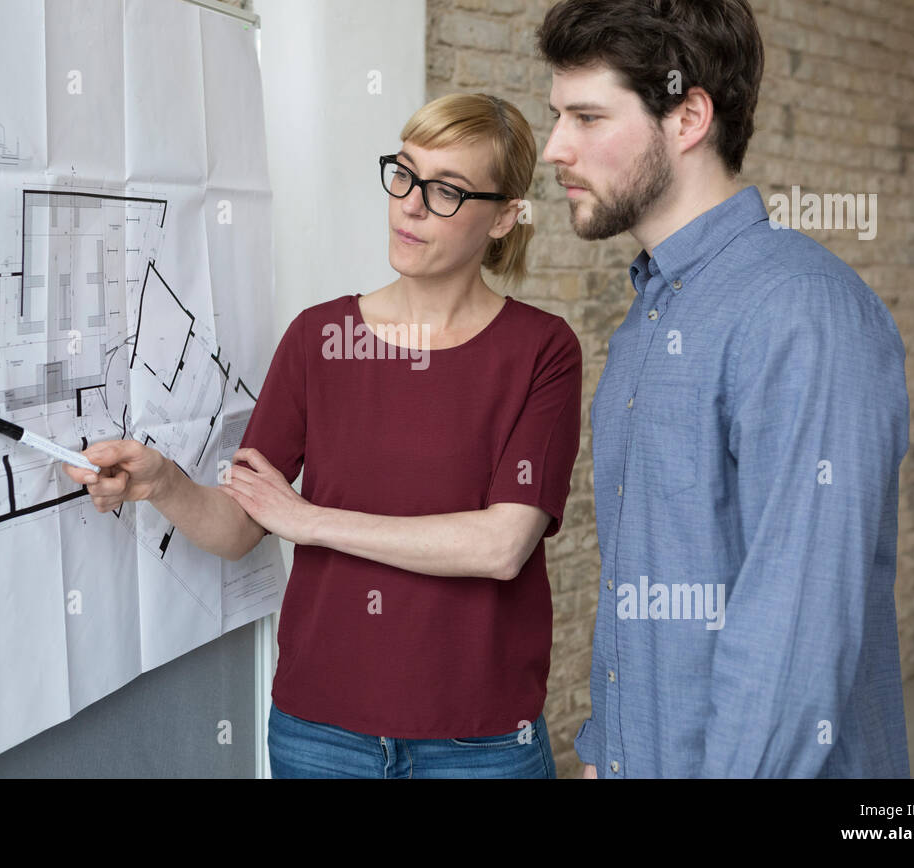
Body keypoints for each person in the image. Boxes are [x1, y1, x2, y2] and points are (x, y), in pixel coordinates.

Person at [62, 93, 583, 778]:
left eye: (447, 191)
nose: (411, 204)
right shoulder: (321, 339)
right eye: (403, 173)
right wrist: (163, 482)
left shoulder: (542, 349)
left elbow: (500, 546)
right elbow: (243, 526)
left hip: (479, 742)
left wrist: (309, 520)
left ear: (505, 217)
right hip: (321, 733)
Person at [537, 0, 911, 778]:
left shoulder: (804, 311)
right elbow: (653, 572)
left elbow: (793, 631)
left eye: (587, 116)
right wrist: (610, 752)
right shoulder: (650, 312)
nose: (554, 148)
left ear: (689, 116)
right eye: (555, 116)